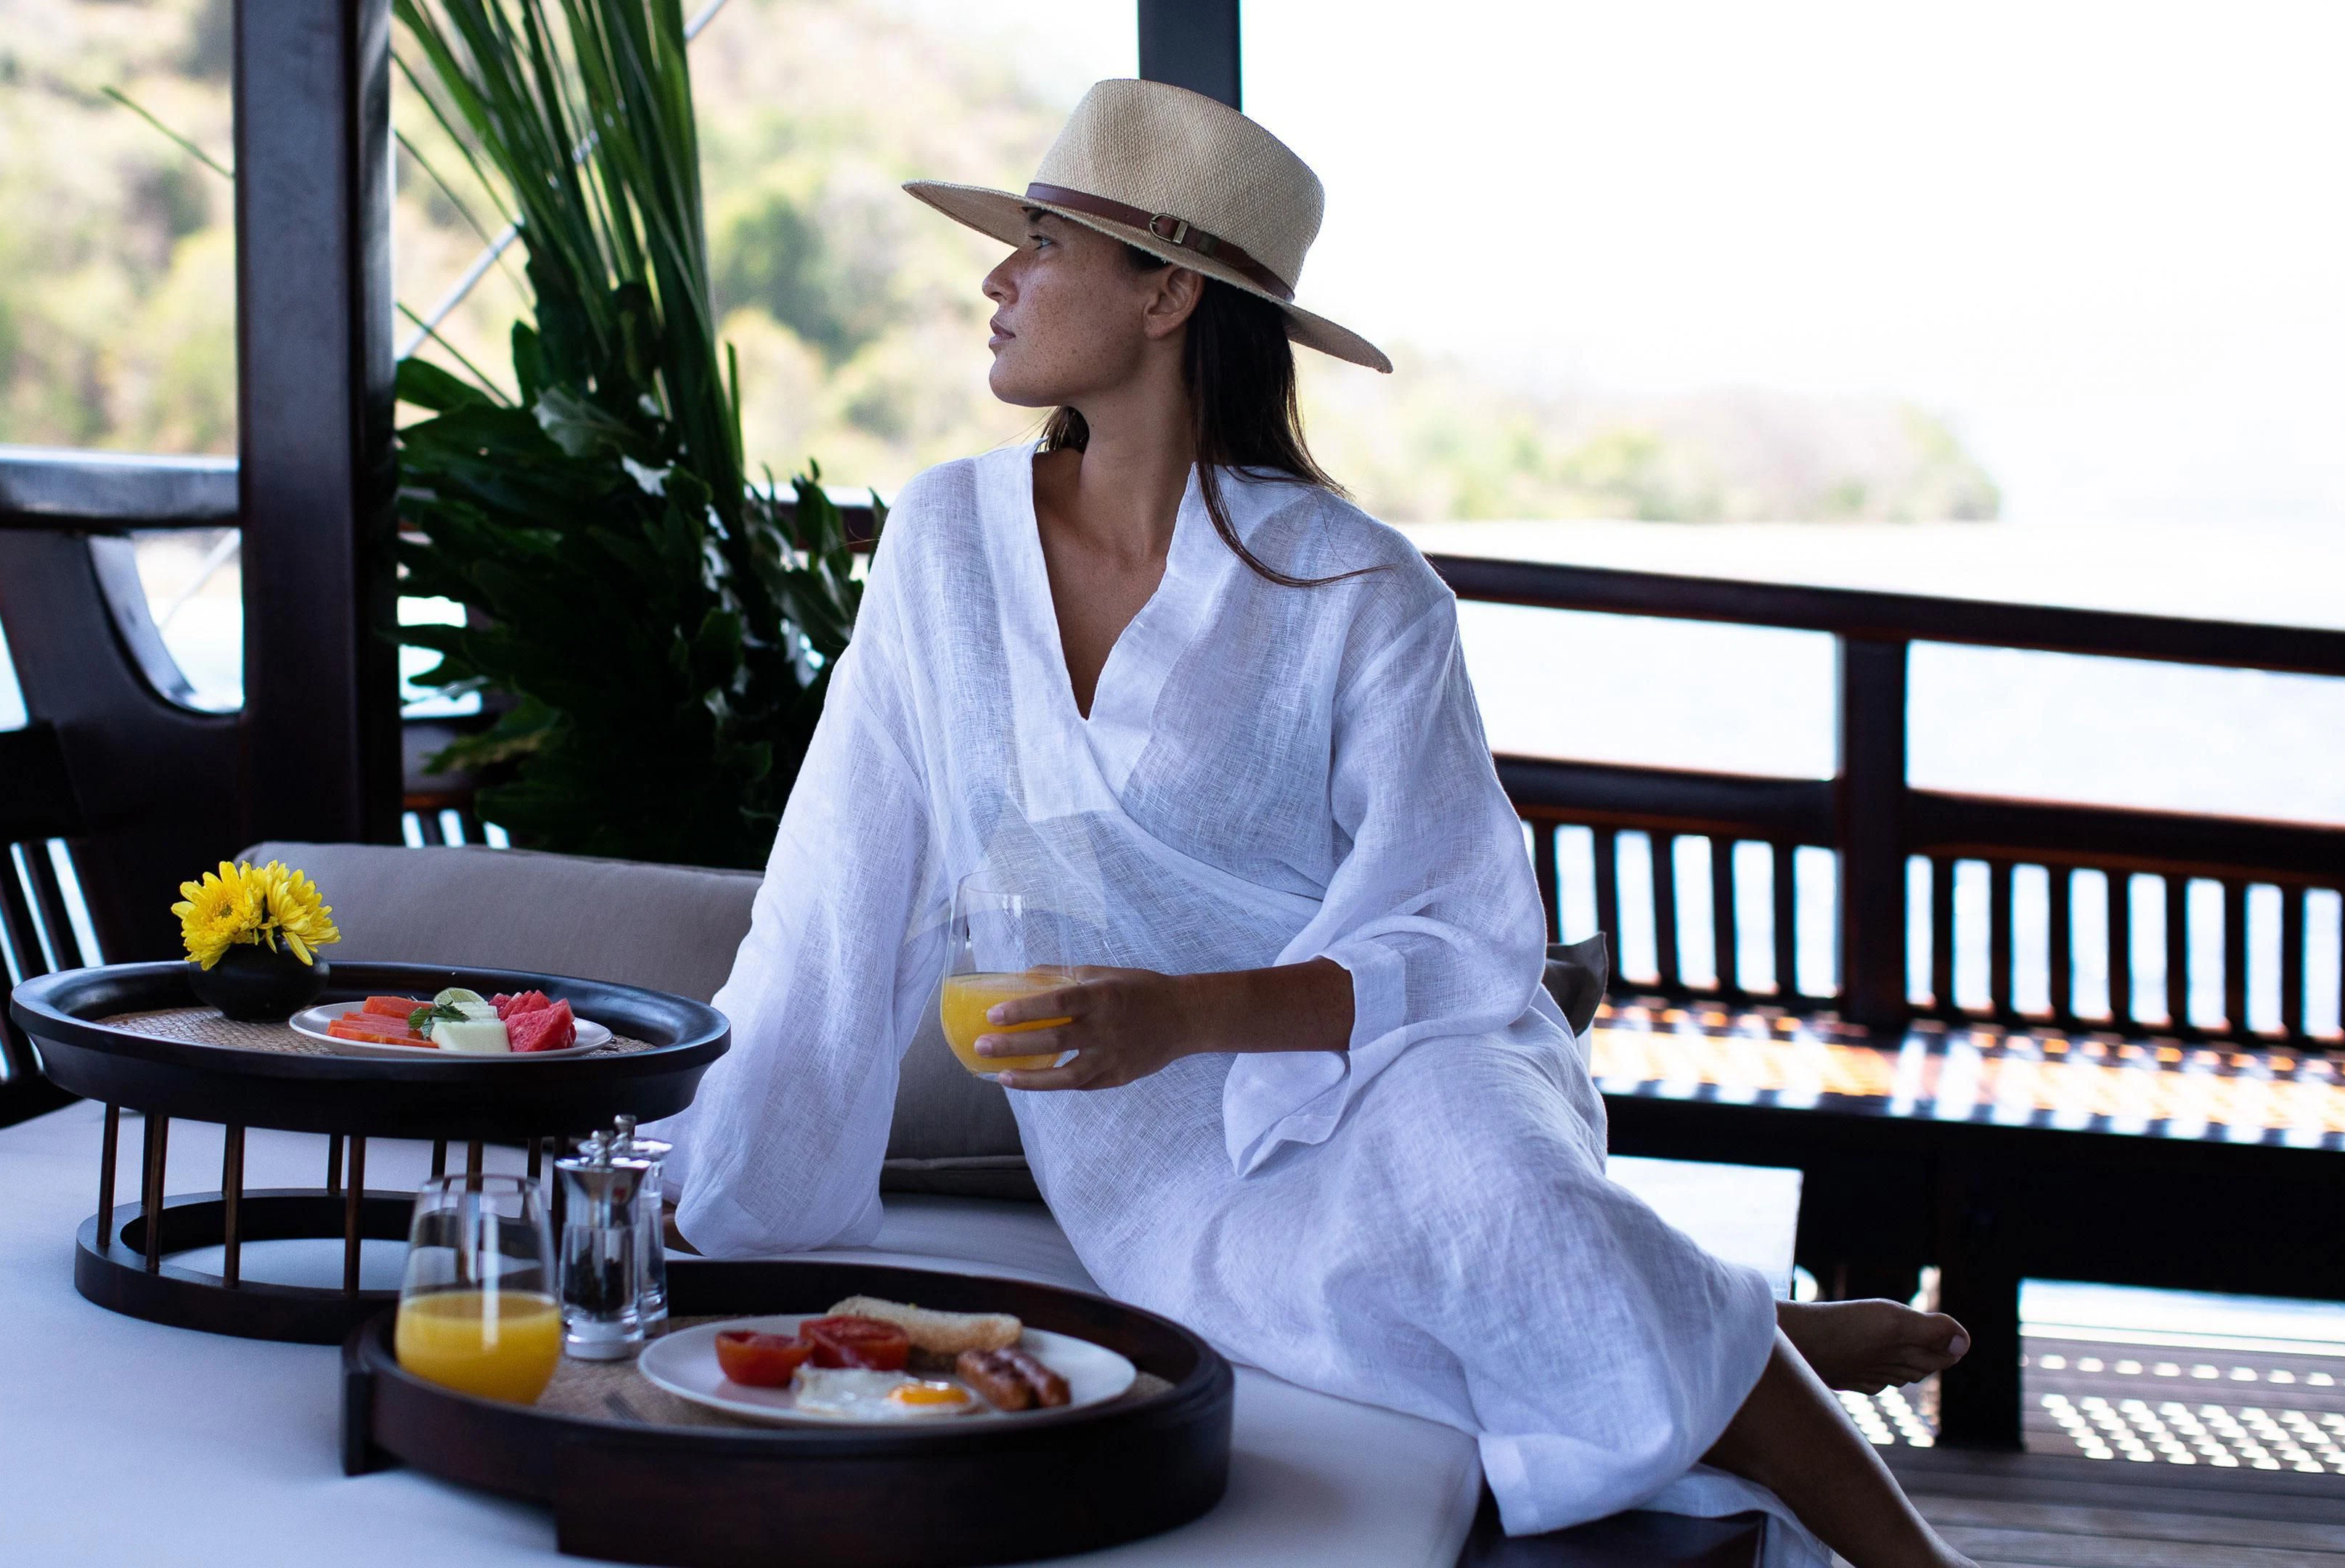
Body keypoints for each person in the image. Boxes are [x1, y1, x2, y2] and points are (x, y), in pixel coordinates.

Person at [663, 78, 1973, 1567]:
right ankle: (1749, 1325)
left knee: (1478, 1181)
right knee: (1437, 1254)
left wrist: (1189, 1012)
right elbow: (837, 901)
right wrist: (719, 1201)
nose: (996, 276)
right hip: (1149, 1147)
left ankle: (1926, 1560)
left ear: (1165, 290)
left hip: (1391, 1055)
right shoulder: (944, 550)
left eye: (1043, 241)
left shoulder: (1361, 592)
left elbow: (1467, 938)